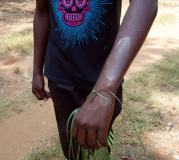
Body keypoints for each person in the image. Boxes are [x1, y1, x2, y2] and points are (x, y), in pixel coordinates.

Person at [32, 0, 158, 159]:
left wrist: (104, 90)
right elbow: (42, 12)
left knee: (98, 141)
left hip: (103, 74)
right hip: (60, 74)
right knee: (69, 141)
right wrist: (37, 71)